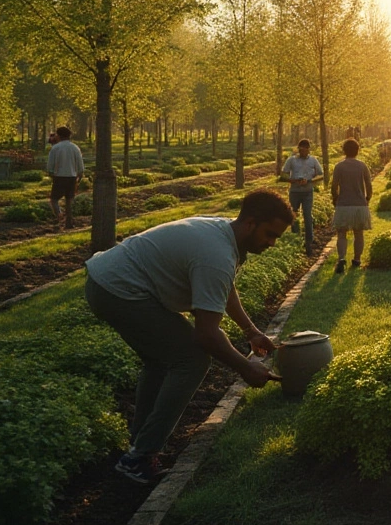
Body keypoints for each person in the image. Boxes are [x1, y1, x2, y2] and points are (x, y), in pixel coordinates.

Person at [84, 190, 291, 484]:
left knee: (160, 361)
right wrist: (246, 369)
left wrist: (251, 332)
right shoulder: (216, 255)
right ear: (250, 223)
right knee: (192, 360)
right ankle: (139, 456)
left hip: (107, 280)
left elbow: (225, 289)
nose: (271, 243)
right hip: (119, 290)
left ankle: (138, 445)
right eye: (270, 234)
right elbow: (206, 335)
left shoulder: (223, 234)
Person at [330, 139, 373, 274]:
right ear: (357, 150)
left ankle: (342, 258)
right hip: (359, 204)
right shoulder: (362, 166)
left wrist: (335, 199)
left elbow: (334, 186)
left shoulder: (339, 166)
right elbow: (369, 185)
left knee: (341, 233)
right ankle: (357, 259)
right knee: (358, 233)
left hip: (343, 204)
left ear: (344, 151)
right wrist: (367, 198)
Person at [281, 139, 323, 253]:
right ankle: (295, 238)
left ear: (309, 149)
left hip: (307, 192)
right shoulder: (292, 160)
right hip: (294, 192)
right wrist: (292, 180)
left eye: (306, 149)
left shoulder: (313, 160)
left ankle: (309, 240)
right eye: (301, 149)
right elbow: (283, 174)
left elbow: (321, 175)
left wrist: (309, 181)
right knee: (293, 215)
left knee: (307, 216)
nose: (303, 152)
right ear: (298, 149)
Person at [46, 126, 85, 230]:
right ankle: (69, 222)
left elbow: (50, 166)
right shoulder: (75, 148)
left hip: (59, 177)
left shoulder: (55, 148)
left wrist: (51, 174)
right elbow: (80, 166)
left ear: (59, 135)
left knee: (54, 200)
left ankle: (59, 215)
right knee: (69, 201)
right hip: (72, 177)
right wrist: (79, 177)